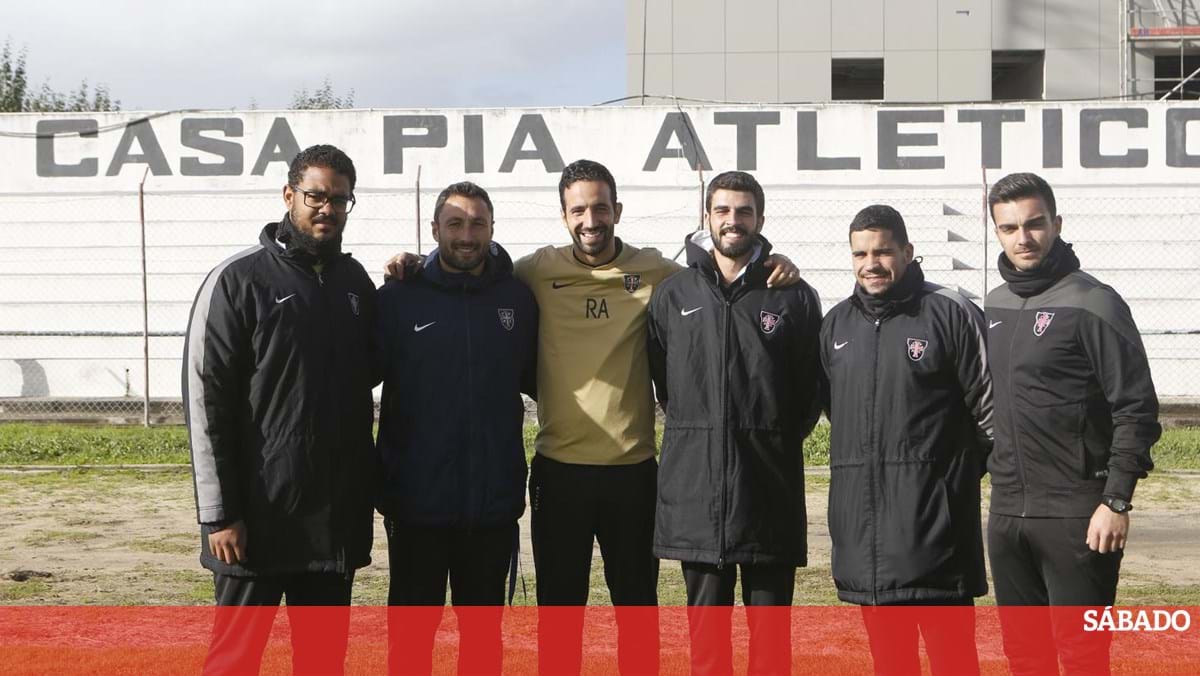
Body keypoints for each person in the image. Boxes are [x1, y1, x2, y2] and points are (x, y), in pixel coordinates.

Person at [384, 159, 802, 673]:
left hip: (633, 473)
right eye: (578, 209)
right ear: (563, 216)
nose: (590, 220)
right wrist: (414, 264)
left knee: (637, 615)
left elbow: (721, 274)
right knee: (560, 617)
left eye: (600, 208)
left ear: (617, 211)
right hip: (560, 472)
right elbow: (472, 270)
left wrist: (771, 260)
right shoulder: (534, 273)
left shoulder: (657, 273)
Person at [182, 144, 377, 674]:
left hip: (330, 524)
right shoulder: (238, 280)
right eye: (315, 195)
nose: (327, 209)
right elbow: (206, 403)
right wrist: (220, 514)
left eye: (340, 199)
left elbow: (377, 371)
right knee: (234, 661)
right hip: (254, 525)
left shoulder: (355, 285)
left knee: (321, 661)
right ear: (289, 195)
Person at [646, 171, 823, 675]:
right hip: (697, 501)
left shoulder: (791, 294)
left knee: (770, 651)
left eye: (744, 211)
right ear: (707, 216)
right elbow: (666, 385)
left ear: (760, 219)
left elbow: (810, 389)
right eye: (722, 210)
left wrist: (769, 438)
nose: (733, 220)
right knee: (707, 653)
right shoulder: (673, 295)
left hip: (768, 495)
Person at [985, 173, 1160, 675]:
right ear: (996, 231)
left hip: (1078, 516)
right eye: (1010, 227)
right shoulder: (993, 303)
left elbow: (1137, 408)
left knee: (1083, 658)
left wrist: (1116, 499)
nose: (1024, 237)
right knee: (1024, 657)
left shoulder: (1094, 302)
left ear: (1056, 224)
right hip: (1007, 515)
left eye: (1036, 224)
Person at [819, 204, 993, 675]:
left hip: (936, 535)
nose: (871, 263)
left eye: (883, 251)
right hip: (868, 544)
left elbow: (991, 413)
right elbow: (845, 418)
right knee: (890, 664)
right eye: (860, 253)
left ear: (908, 252)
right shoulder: (836, 324)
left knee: (954, 662)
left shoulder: (950, 312)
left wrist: (944, 478)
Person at [375, 181, 538, 674]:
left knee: (483, 645)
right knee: (410, 645)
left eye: (477, 224)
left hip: (490, 509)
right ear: (434, 229)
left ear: (492, 228)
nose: (467, 235)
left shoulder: (517, 299)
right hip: (416, 507)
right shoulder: (398, 297)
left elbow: (540, 378)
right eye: (455, 223)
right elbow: (355, 377)